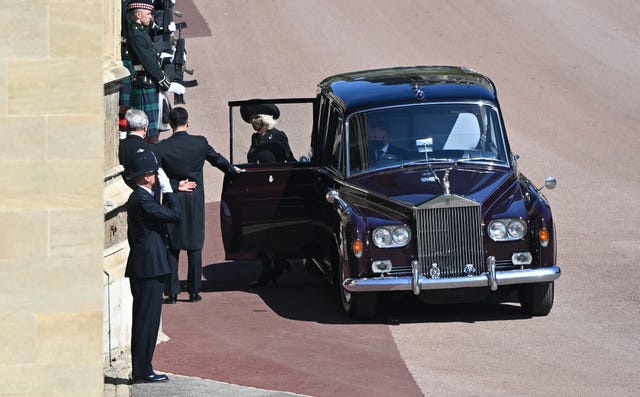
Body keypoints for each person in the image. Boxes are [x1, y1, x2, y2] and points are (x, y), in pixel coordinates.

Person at [156, 107, 241, 303]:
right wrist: (232, 170)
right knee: (195, 245)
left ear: (170, 125)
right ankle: (194, 291)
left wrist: (176, 185)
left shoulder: (162, 148)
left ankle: (172, 291)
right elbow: (217, 160)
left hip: (173, 197)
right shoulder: (199, 143)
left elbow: (157, 175)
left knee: (172, 246)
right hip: (194, 199)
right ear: (188, 122)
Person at [125, 149, 183, 383]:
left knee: (146, 320)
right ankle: (142, 370)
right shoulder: (143, 200)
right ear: (147, 176)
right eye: (155, 174)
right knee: (146, 321)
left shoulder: (140, 197)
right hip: (148, 267)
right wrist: (169, 191)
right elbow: (175, 214)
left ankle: (143, 367)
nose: (158, 177)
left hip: (147, 265)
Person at [239, 102, 295, 286]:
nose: (253, 121)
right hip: (259, 189)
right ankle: (271, 266)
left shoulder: (278, 137)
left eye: (256, 118)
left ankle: (276, 264)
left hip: (275, 189)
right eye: (252, 118)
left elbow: (287, 158)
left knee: (274, 230)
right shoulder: (255, 138)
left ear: (265, 119)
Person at [125, 0, 185, 143]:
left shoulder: (141, 32)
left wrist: (167, 59)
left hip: (149, 82)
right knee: (147, 132)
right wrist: (166, 83)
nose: (151, 16)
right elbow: (149, 62)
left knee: (154, 130)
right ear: (138, 15)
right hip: (145, 83)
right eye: (148, 14)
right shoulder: (137, 35)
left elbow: (152, 56)